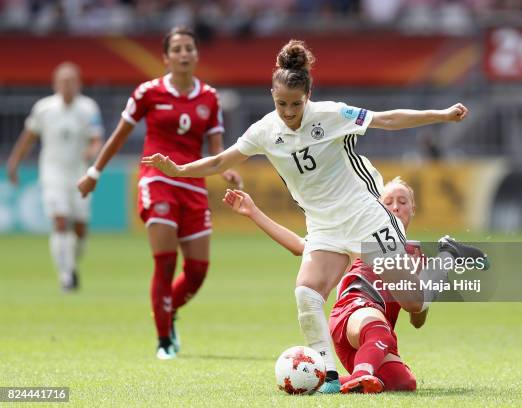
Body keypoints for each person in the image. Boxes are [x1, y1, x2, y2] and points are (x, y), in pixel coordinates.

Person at [141, 39, 468, 391]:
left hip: (363, 216)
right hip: (324, 225)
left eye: (296, 104)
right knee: (306, 293)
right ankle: (327, 377)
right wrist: (179, 169)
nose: (289, 111)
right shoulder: (265, 130)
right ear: (272, 94)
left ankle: (445, 260)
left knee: (414, 302)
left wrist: (442, 115)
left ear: (308, 95)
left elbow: (386, 120)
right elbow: (222, 160)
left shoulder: (330, 114)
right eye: (281, 103)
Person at [222, 178, 484, 393]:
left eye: (402, 202)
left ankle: (319, 382)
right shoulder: (359, 236)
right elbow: (300, 246)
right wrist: (253, 213)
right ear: (376, 208)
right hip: (353, 316)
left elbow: (417, 320)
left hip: (374, 344)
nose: (395, 207)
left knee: (403, 383)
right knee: (379, 329)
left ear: (413, 209)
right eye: (388, 202)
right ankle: (362, 373)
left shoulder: (416, 255)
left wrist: (426, 294)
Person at [77, 26, 242, 360]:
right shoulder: (147, 93)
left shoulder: (209, 97)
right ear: (166, 57)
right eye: (177, 49)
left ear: (196, 54)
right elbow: (120, 135)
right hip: (157, 181)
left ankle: (166, 312)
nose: (184, 54)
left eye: (189, 48)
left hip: (193, 185)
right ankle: (164, 340)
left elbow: (216, 148)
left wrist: (225, 168)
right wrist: (94, 172)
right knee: (165, 264)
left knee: (197, 272)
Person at [7, 62, 103, 292]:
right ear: (55, 83)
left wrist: (91, 152)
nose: (67, 85)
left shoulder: (89, 108)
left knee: (80, 228)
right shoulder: (44, 108)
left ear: (79, 83)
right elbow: (28, 137)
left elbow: (96, 139)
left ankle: (71, 264)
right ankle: (66, 275)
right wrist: (14, 163)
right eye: (63, 81)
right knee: (60, 221)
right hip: (53, 173)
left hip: (80, 174)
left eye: (71, 81)